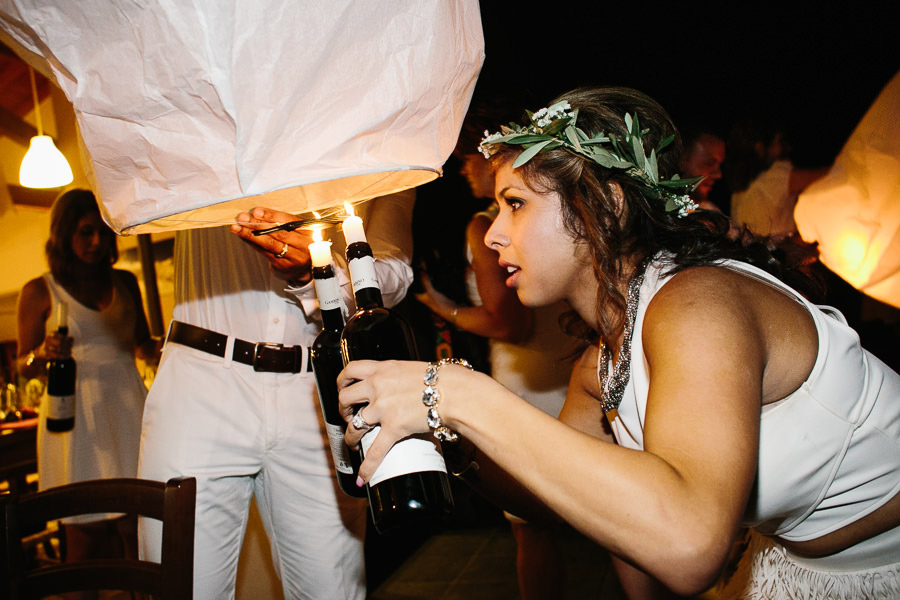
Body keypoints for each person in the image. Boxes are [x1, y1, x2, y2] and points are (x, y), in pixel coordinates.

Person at [336, 87, 900, 599]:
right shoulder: (601, 363)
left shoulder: (698, 304)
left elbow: (688, 546)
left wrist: (459, 395)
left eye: (516, 203)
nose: (492, 234)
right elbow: (544, 494)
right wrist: (447, 438)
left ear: (604, 204)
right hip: (799, 564)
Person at [137, 190, 414, 600]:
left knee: (332, 590)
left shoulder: (376, 142)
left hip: (317, 388)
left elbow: (394, 274)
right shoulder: (196, 131)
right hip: (200, 381)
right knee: (181, 585)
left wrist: (321, 271)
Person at [415, 104, 580, 599]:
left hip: (527, 382)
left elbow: (508, 322)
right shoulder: (558, 220)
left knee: (529, 527)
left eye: (467, 160)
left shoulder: (483, 228)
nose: (463, 170)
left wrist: (443, 308)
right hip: (571, 367)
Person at [16, 188, 159, 574]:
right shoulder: (39, 290)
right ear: (64, 235)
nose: (96, 241)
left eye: (102, 232)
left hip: (129, 408)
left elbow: (142, 345)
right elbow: (22, 366)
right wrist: (41, 354)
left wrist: (166, 350)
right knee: (85, 536)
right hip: (77, 421)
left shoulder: (126, 282)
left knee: (142, 530)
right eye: (84, 232)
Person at [726, 119, 829, 240]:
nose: (788, 148)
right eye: (780, 142)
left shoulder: (738, 189)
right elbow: (829, 175)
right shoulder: (773, 178)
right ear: (760, 148)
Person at [679, 127, 726, 213]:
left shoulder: (712, 215)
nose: (718, 174)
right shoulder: (656, 212)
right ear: (682, 160)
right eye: (709, 163)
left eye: (720, 165)